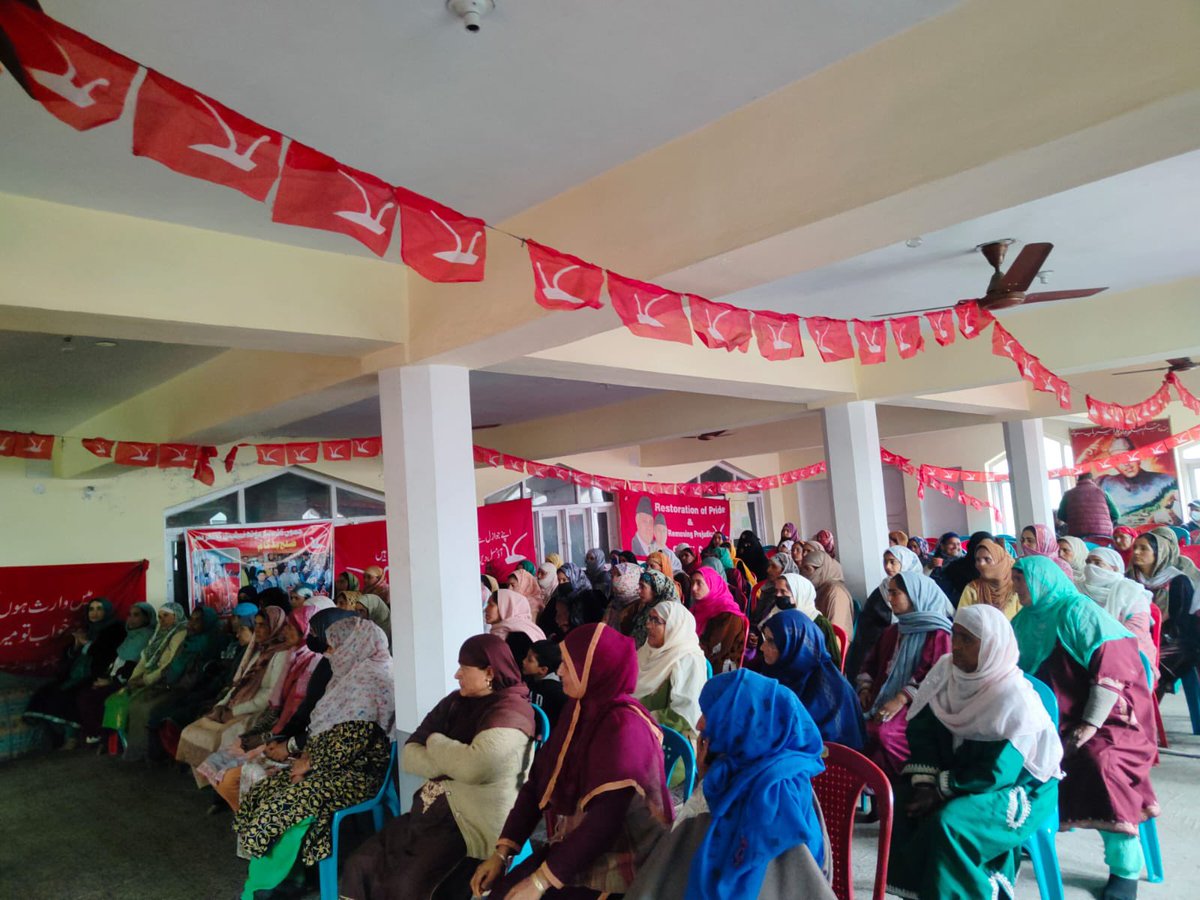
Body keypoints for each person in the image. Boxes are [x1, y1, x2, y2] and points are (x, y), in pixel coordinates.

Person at [470, 623, 673, 899]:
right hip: (576, 844)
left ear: (594, 668)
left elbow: (606, 821)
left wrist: (540, 882)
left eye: (568, 663)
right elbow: (538, 781)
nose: (560, 670)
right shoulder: (579, 709)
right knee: (503, 893)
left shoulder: (625, 728)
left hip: (620, 859)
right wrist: (502, 854)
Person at [888, 605, 1063, 900]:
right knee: (903, 804)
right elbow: (923, 732)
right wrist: (926, 784)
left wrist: (942, 790)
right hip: (960, 771)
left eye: (968, 640)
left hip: (1018, 786)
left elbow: (999, 771)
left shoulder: (1012, 698)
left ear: (992, 646)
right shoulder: (946, 671)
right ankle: (923, 893)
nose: (955, 645)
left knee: (951, 823)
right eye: (955, 635)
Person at [341, 634, 535, 900]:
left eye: (464, 668)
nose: (457, 675)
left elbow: (473, 767)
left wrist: (435, 740)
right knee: (360, 863)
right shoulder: (455, 702)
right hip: (429, 815)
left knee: (407, 885)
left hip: (468, 822)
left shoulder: (512, 711)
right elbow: (410, 755)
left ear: (489, 672)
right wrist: (457, 757)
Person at [1012, 557, 1159, 900]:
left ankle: (1125, 867)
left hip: (1110, 718)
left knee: (1100, 763)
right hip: (1053, 720)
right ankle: (1021, 834)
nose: (1017, 587)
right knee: (1004, 758)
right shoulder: (1023, 621)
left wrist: (1090, 723)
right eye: (1016, 580)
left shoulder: (1077, 611)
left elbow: (1116, 666)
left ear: (1042, 581)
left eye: (1022, 580)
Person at [625, 669, 833, 900]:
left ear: (743, 721)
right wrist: (705, 778)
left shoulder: (773, 798)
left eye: (710, 713)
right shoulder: (740, 770)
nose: (699, 723)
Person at [234, 618, 394, 885]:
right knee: (264, 790)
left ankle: (278, 882)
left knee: (283, 803)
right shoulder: (351, 674)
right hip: (328, 762)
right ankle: (279, 872)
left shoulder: (371, 680)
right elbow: (327, 732)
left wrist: (309, 765)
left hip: (357, 772)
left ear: (354, 645)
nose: (329, 653)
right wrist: (306, 758)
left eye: (334, 646)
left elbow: (354, 741)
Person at [196, 607, 322, 808]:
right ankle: (242, 817)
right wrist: (259, 734)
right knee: (221, 757)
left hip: (291, 740)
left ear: (306, 631)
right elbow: (274, 706)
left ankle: (248, 822)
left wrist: (269, 738)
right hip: (277, 728)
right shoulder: (291, 655)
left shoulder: (313, 665)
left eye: (291, 627)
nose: (285, 632)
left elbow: (302, 716)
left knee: (232, 769)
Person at [176, 606, 292, 780]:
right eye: (257, 624)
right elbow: (239, 684)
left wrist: (235, 711)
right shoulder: (259, 650)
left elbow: (270, 696)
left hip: (258, 711)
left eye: (263, 625)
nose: (258, 630)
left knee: (222, 737)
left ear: (275, 626)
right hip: (238, 703)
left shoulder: (281, 654)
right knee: (191, 730)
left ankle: (219, 786)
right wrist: (222, 705)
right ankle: (207, 779)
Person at [856, 573, 953, 779]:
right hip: (884, 696)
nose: (889, 599)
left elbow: (935, 675)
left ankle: (902, 778)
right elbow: (871, 663)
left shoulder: (938, 633)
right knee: (854, 724)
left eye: (895, 593)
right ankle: (876, 779)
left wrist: (901, 699)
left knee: (886, 734)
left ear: (915, 595)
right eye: (889, 592)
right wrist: (865, 688)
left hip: (922, 705)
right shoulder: (893, 631)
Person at [24, 597, 126, 748]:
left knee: (69, 696)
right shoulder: (88, 630)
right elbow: (71, 657)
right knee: (44, 693)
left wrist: (87, 644)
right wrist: (77, 646)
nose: (95, 613)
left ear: (107, 611)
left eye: (99, 609)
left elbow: (107, 654)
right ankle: (57, 738)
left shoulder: (115, 630)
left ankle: (71, 738)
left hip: (98, 675)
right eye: (91, 609)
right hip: (75, 675)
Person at [760, 608, 863, 748]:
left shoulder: (834, 694)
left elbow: (830, 747)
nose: (762, 647)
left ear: (794, 644)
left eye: (771, 641)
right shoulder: (777, 672)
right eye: (765, 639)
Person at [111, 603, 190, 762]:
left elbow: (169, 664)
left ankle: (147, 753)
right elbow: (145, 658)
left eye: (166, 616)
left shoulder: (180, 634)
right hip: (151, 679)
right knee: (127, 701)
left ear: (176, 616)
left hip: (166, 682)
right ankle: (132, 749)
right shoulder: (159, 634)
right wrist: (134, 678)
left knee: (143, 708)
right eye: (160, 616)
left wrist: (146, 680)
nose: (162, 620)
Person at [74, 601, 157, 744]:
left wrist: (111, 681)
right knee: (85, 690)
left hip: (129, 681)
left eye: (136, 615)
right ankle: (97, 734)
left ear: (147, 618)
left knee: (89, 696)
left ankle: (100, 735)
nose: (131, 619)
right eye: (129, 615)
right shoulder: (130, 635)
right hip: (115, 675)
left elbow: (135, 667)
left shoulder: (146, 637)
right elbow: (118, 661)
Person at [1128, 530, 1200, 690]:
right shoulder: (1129, 577)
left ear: (1159, 553)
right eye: (1135, 548)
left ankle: (1148, 701)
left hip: (1172, 639)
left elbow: (1182, 624)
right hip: (1136, 634)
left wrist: (1153, 635)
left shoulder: (1177, 581)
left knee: (1147, 663)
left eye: (1143, 548)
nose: (1137, 552)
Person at [635, 601, 707, 743]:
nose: (649, 625)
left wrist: (639, 718)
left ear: (674, 627)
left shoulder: (688, 660)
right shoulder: (648, 652)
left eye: (656, 621)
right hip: (638, 727)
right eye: (649, 618)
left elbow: (683, 717)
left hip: (670, 741)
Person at [846, 546, 923, 678]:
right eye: (885, 561)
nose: (887, 566)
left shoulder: (921, 588)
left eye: (893, 561)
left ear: (905, 563)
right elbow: (869, 628)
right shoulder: (882, 591)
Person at [1082, 547, 1156, 671]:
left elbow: (1134, 633)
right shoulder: (1079, 589)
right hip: (1085, 648)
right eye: (1088, 562)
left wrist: (1100, 648)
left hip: (1126, 654)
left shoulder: (1130, 592)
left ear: (1115, 569)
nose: (1091, 567)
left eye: (1097, 563)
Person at [1096, 439, 1182, 526]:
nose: (1126, 464)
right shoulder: (1104, 483)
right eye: (1119, 460)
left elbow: (1179, 517)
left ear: (1139, 458)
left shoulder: (1166, 481)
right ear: (1114, 465)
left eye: (1129, 457)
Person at [690, 566, 748, 674]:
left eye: (699, 583)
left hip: (717, 669)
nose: (693, 588)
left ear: (712, 585)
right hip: (697, 658)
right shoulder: (697, 608)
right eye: (692, 583)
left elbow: (713, 651)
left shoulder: (728, 615)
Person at [958, 537, 1021, 620]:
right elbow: (962, 620)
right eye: (977, 560)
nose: (981, 564)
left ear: (1000, 562)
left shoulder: (1016, 589)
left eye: (987, 559)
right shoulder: (973, 589)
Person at [799, 547, 854, 639]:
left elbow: (836, 636)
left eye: (807, 569)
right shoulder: (818, 589)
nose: (803, 574)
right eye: (802, 569)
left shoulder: (836, 593)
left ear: (822, 570)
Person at [931, 531, 992, 607]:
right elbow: (949, 597)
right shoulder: (953, 568)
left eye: (958, 544)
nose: (956, 547)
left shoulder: (996, 567)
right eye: (951, 544)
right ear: (942, 546)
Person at [619, 569, 676, 649]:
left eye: (642, 587)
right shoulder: (646, 606)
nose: (638, 591)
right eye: (639, 586)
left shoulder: (665, 615)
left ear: (656, 590)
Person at [1058, 472, 1120, 541]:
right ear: (1092, 480)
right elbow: (1116, 515)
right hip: (1103, 535)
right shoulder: (1102, 493)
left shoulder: (1068, 494)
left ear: (1077, 479)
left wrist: (1074, 521)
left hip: (1078, 535)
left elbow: (1060, 515)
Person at [523, 639, 567, 729]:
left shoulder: (557, 692)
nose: (524, 661)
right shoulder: (528, 681)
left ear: (543, 670)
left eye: (529, 660)